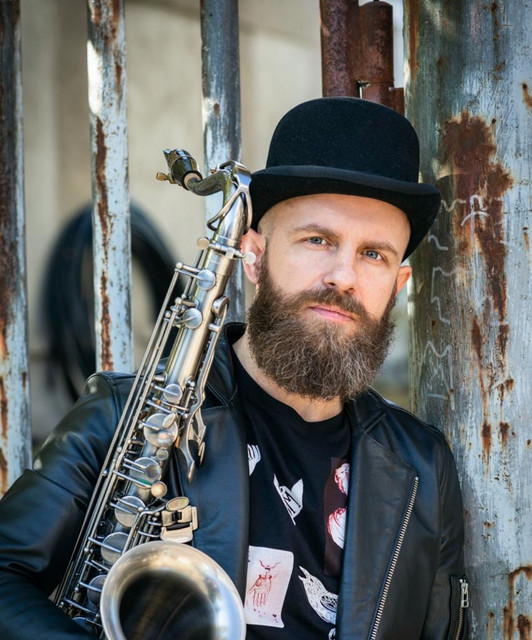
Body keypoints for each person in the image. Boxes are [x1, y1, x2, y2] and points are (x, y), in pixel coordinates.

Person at [0, 97, 468, 639]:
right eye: (317, 240)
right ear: (253, 256)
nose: (343, 276)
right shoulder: (125, 417)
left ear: (397, 286)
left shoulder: (425, 467)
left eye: (374, 255)